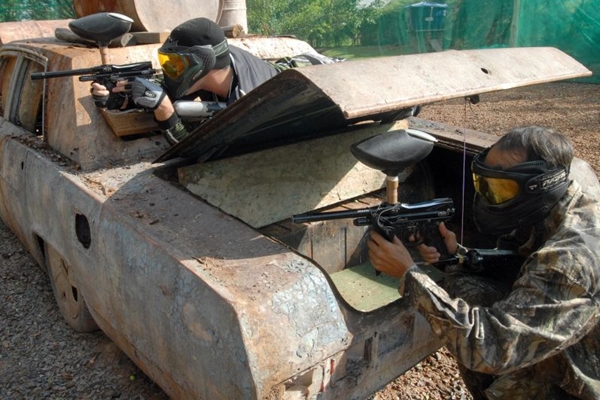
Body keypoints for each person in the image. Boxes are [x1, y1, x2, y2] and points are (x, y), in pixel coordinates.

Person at [368, 126, 600, 399]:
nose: (488, 198)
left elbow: (489, 349)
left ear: (539, 184)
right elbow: (519, 263)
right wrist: (458, 256)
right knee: (466, 285)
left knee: (479, 338)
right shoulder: (559, 202)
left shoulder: (570, 259)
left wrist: (410, 275)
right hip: (568, 337)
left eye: (499, 189)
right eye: (483, 185)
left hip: (583, 381)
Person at [92, 17, 280, 145]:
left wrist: (164, 110)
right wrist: (123, 97)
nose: (170, 70)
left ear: (203, 62)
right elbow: (171, 86)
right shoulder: (226, 62)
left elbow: (195, 153)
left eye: (177, 64)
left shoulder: (248, 105)